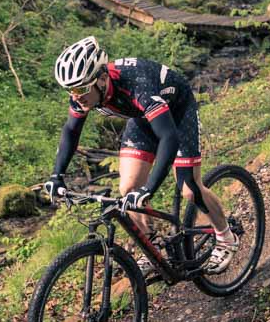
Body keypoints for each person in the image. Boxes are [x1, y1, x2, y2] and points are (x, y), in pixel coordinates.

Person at [43, 36, 238, 274]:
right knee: (128, 189)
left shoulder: (137, 85)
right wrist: (56, 175)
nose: (76, 96)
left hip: (176, 111)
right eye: (70, 90)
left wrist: (150, 189)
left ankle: (226, 237)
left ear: (102, 79)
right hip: (142, 116)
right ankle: (154, 246)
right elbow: (71, 131)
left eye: (81, 89)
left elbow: (169, 138)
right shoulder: (84, 94)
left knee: (188, 187)